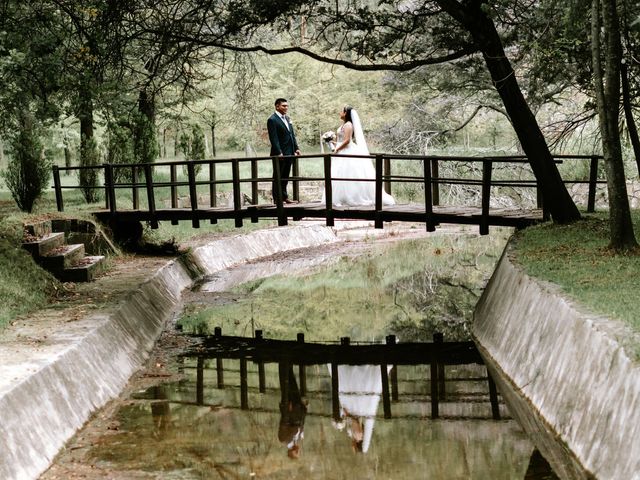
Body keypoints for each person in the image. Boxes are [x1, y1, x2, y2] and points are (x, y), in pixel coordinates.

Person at [324, 106, 395, 207]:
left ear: (345, 113)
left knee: (349, 173)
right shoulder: (343, 125)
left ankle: (353, 197)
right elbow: (341, 140)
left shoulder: (348, 125)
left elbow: (347, 141)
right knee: (340, 174)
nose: (339, 113)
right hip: (341, 151)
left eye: (341, 111)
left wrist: (337, 148)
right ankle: (341, 197)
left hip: (347, 151)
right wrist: (332, 142)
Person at [329, 364, 391, 453]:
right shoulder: (358, 435)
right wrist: (346, 416)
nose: (352, 446)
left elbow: (357, 422)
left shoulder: (357, 435)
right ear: (357, 445)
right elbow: (354, 421)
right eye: (354, 448)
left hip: (356, 411)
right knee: (346, 386)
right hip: (353, 409)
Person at [267, 98, 301, 204]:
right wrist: (278, 152)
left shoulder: (287, 118)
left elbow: (291, 135)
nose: (286, 107)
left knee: (285, 176)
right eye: (283, 106)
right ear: (277, 106)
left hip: (289, 152)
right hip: (280, 154)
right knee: (278, 176)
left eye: (287, 106)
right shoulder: (272, 119)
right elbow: (274, 138)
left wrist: (296, 148)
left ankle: (284, 197)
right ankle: (277, 199)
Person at [278, 362, 307, 459]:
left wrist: (287, 409)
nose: (298, 451)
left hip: (289, 407)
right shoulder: (298, 438)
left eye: (296, 453)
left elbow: (284, 423)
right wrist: (304, 409)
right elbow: (302, 423)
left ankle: (283, 364)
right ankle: (289, 364)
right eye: (298, 452)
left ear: (291, 452)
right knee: (293, 384)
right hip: (298, 408)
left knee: (286, 385)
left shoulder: (283, 439)